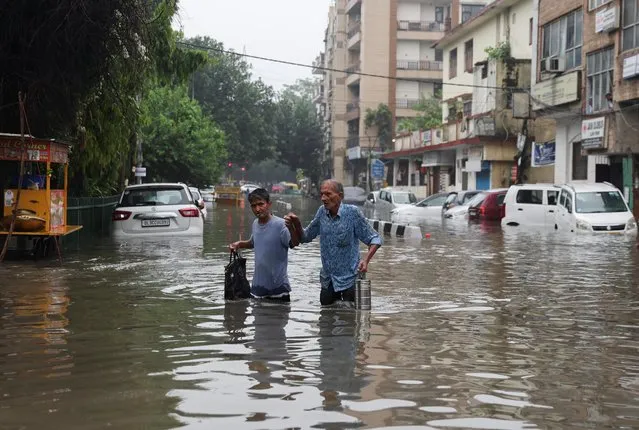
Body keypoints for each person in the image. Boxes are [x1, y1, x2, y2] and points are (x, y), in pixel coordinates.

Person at [285, 179, 382, 306]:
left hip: (350, 281)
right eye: (322, 194)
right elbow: (305, 238)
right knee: (325, 321)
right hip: (328, 281)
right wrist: (296, 224)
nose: (324, 198)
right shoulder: (321, 213)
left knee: (350, 321)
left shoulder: (352, 213)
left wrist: (366, 260)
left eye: (328, 194)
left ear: (340, 196)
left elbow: (375, 239)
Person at [229, 188, 296, 302]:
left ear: (269, 204)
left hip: (278, 291)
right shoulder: (255, 224)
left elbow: (293, 243)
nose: (257, 209)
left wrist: (294, 228)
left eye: (261, 204)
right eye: (253, 206)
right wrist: (239, 244)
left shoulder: (281, 225)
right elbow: (253, 243)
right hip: (257, 290)